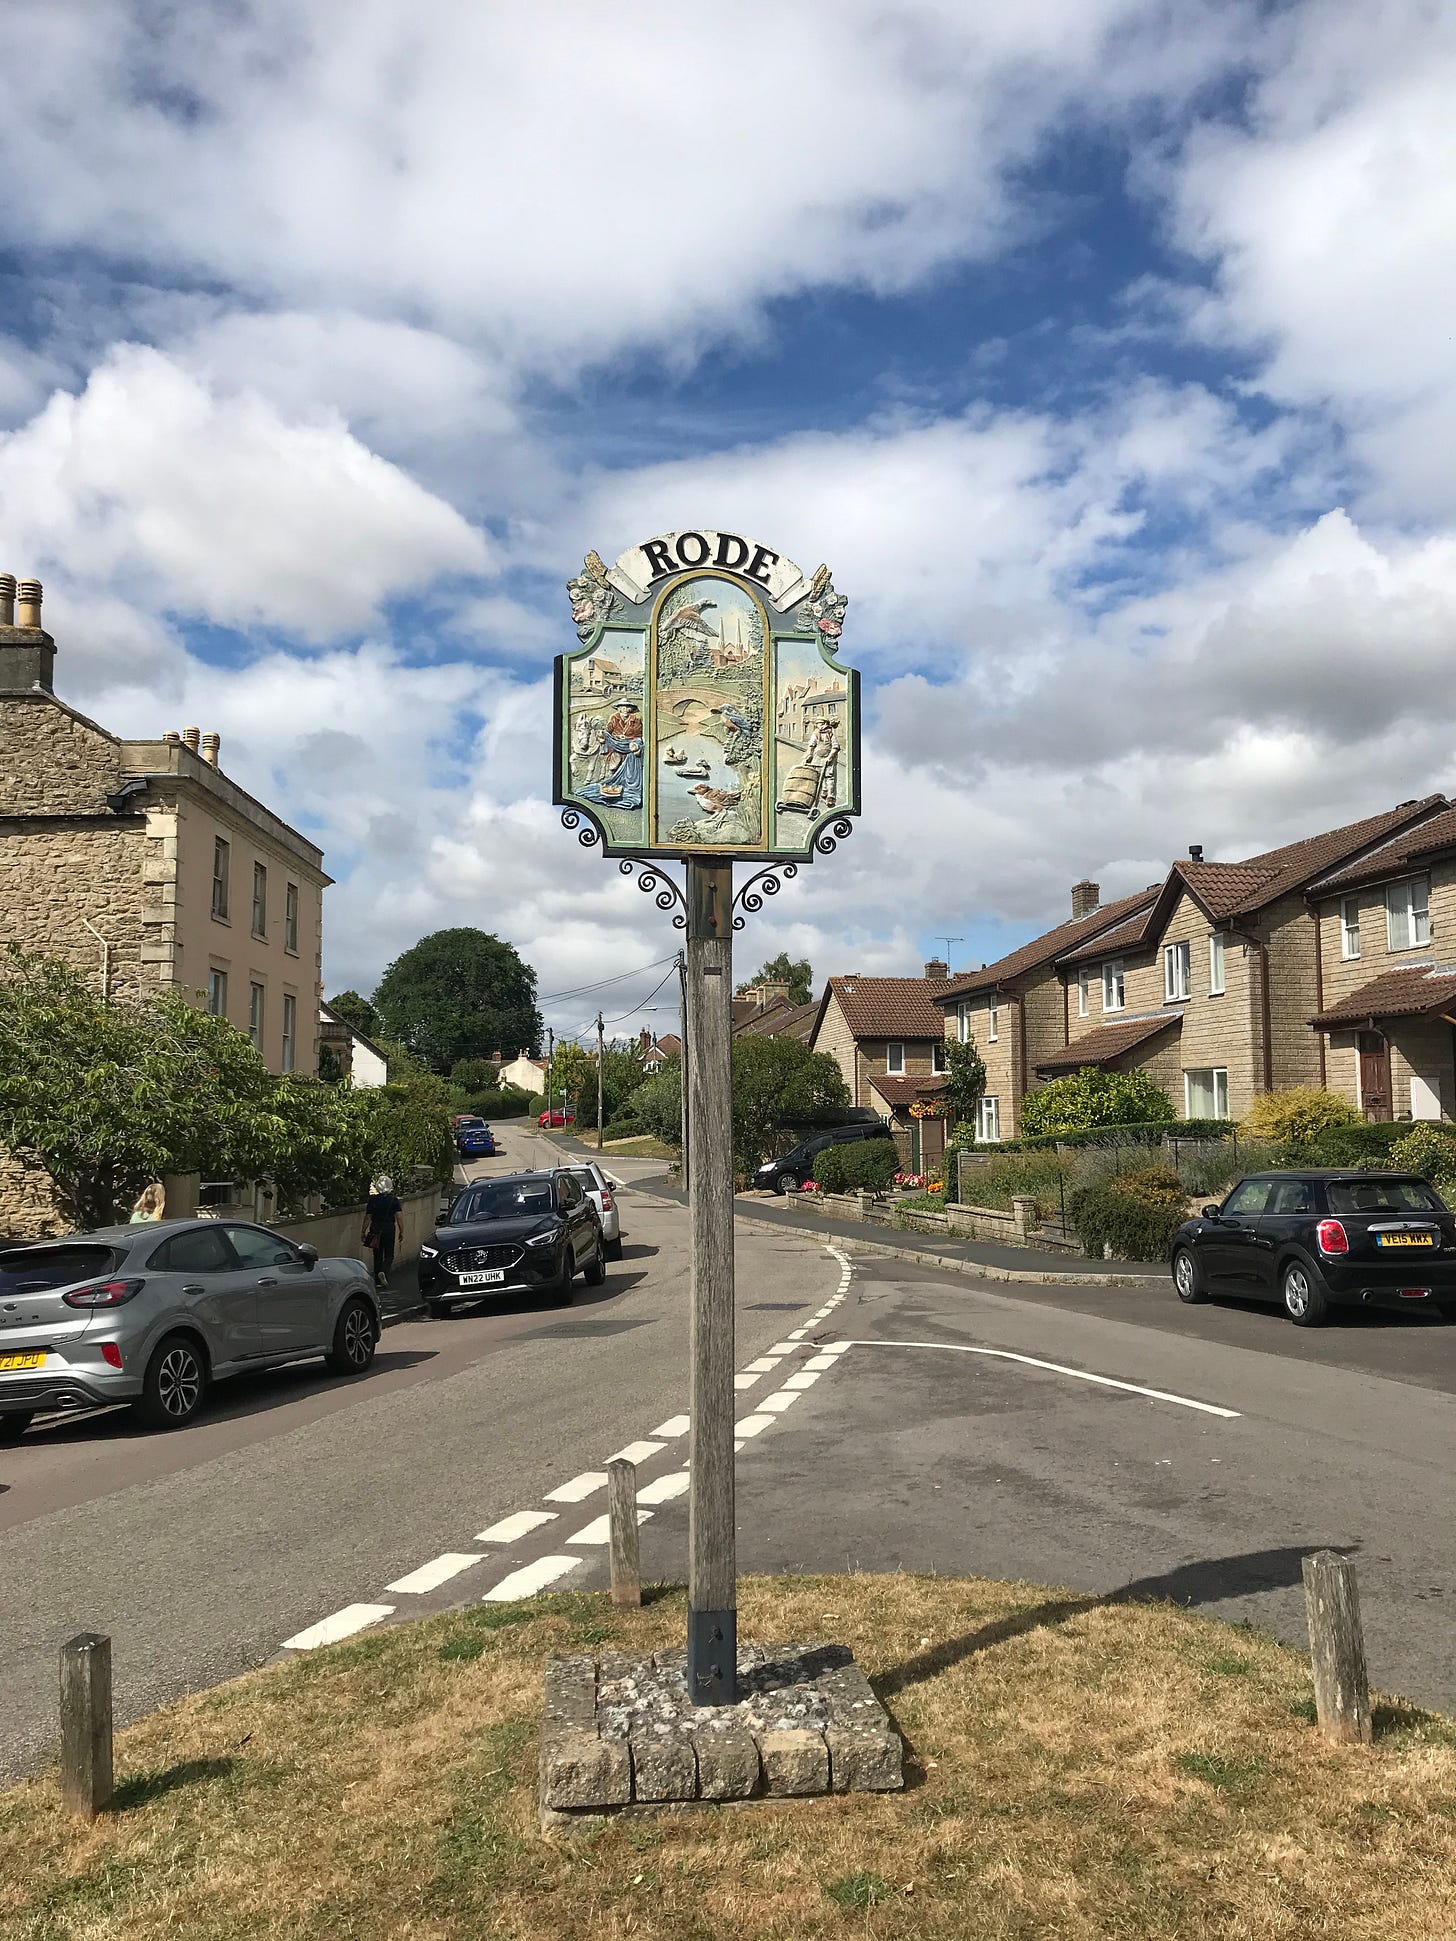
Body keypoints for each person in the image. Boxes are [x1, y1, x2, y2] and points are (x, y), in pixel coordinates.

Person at [362, 1175, 403, 1288]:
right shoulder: (393, 1200)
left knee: (377, 1254)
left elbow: (368, 1217)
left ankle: (377, 1280)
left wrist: (363, 1231)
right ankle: (384, 1272)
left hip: (375, 1227)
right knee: (389, 1255)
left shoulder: (373, 1200)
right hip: (389, 1227)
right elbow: (399, 1217)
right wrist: (401, 1231)